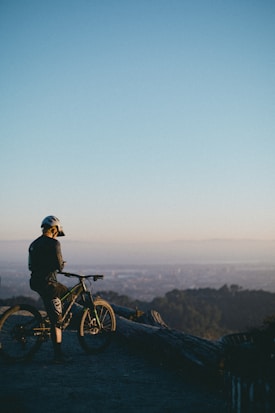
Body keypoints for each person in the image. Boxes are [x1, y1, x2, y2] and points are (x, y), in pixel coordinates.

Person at [28, 215, 70, 363]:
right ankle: (58, 355)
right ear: (54, 229)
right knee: (58, 318)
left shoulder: (34, 244)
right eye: (57, 231)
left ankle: (54, 314)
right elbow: (59, 266)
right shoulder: (54, 244)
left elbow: (31, 266)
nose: (57, 234)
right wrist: (61, 264)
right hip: (49, 284)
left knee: (56, 298)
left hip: (35, 281)